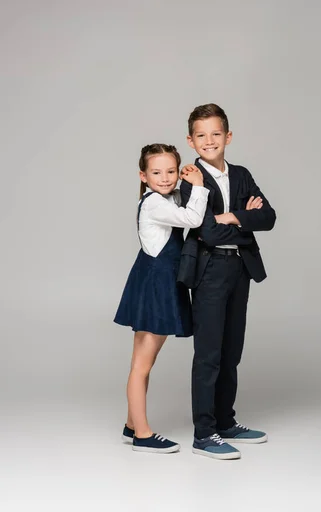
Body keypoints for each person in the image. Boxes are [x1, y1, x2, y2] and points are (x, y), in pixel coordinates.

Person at [178, 104, 276, 460]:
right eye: (201, 135)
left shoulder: (242, 174)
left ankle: (225, 421)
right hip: (209, 271)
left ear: (228, 137)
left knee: (232, 349)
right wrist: (242, 222)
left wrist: (232, 216)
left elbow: (267, 216)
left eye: (216, 134)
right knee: (209, 354)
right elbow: (205, 230)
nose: (209, 141)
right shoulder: (191, 177)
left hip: (239, 269)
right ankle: (204, 433)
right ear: (191, 140)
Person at [114, 143, 209, 454]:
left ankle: (132, 424)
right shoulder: (156, 204)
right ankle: (142, 434)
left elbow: (179, 203)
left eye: (171, 171)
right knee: (142, 364)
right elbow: (193, 218)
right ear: (143, 175)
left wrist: (187, 180)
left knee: (142, 361)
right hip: (157, 284)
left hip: (154, 280)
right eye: (157, 172)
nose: (165, 178)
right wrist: (198, 186)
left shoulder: (164, 198)